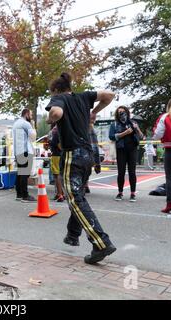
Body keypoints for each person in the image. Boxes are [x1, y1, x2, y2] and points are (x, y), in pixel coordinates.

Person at [46, 72, 116, 265]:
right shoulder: (84, 97)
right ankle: (72, 234)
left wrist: (51, 119)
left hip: (72, 155)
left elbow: (57, 113)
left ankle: (101, 243)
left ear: (57, 90)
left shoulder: (59, 99)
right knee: (79, 196)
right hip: (87, 155)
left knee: (74, 200)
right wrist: (95, 111)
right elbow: (109, 95)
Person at [109, 106, 144, 202]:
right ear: (117, 114)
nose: (122, 114)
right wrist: (124, 133)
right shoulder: (114, 124)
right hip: (121, 150)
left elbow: (142, 137)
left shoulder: (133, 122)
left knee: (132, 172)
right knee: (121, 172)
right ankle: (120, 192)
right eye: (119, 112)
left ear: (127, 112)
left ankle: (133, 193)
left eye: (123, 112)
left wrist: (137, 129)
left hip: (132, 149)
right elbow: (111, 136)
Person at [12, 109, 37, 203]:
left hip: (17, 151)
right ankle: (25, 196)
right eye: (31, 114)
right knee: (24, 174)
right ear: (26, 114)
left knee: (20, 173)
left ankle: (19, 194)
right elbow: (33, 137)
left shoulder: (15, 124)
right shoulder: (26, 124)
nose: (31, 116)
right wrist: (33, 125)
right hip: (25, 150)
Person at [85, 116, 102, 194]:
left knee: (85, 170)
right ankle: (85, 185)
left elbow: (95, 146)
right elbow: (95, 147)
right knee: (86, 170)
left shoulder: (90, 129)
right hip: (88, 152)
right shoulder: (90, 129)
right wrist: (97, 163)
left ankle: (85, 185)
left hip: (86, 152)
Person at [49, 123, 65, 202]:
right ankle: (62, 193)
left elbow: (57, 143)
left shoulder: (56, 130)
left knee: (56, 175)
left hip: (56, 155)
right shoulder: (64, 129)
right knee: (60, 174)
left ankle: (60, 194)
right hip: (61, 155)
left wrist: (50, 142)